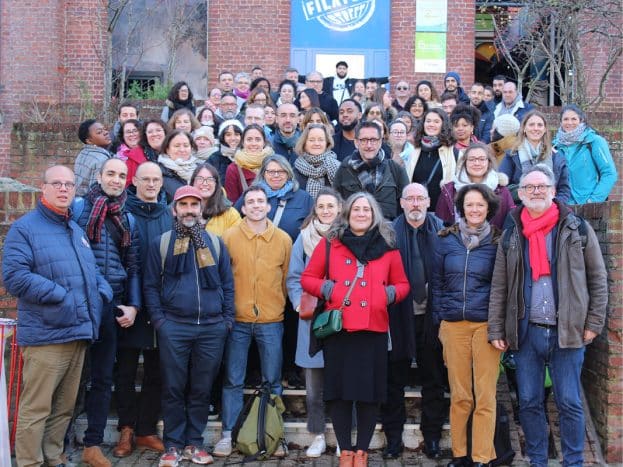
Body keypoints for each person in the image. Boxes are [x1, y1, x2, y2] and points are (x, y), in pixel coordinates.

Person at [488, 164, 608, 467]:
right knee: (528, 402)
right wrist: (496, 329)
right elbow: (500, 286)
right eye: (529, 187)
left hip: (567, 332)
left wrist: (594, 322)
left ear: (553, 191)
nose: (536, 191)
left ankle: (573, 461)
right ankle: (538, 460)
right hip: (526, 332)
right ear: (521, 195)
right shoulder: (512, 234)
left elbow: (597, 277)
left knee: (568, 401)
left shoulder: (575, 228)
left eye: (541, 186)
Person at [2, 166, 112, 467]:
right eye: (57, 183)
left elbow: (92, 271)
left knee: (64, 408)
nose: (64, 189)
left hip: (78, 332)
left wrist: (102, 291)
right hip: (46, 335)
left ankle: (53, 457)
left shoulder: (75, 230)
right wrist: (61, 296)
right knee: (36, 408)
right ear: (43, 188)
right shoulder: (25, 228)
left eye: (69, 184)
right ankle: (29, 462)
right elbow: (14, 276)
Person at [300, 192, 410, 467]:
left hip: (372, 329)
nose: (362, 214)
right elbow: (308, 278)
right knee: (339, 393)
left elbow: (403, 284)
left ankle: (361, 451)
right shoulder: (330, 245)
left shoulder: (388, 246)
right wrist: (330, 288)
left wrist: (385, 296)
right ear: (346, 214)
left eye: (367, 210)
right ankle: (345, 450)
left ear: (374, 215)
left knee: (369, 394)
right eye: (357, 209)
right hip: (340, 330)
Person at [143, 185, 234, 467]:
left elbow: (228, 285)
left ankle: (194, 443)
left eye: (194, 204)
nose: (189, 210)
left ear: (201, 209)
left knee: (201, 388)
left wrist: (226, 320)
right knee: (173, 386)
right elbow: (150, 285)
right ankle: (172, 444)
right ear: (175, 210)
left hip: (211, 328)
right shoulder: (161, 242)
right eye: (184, 205)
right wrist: (160, 320)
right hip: (174, 327)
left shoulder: (216, 243)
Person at [214, 186, 293, 458]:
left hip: (271, 320)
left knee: (272, 380)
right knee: (233, 379)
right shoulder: (229, 237)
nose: (257, 205)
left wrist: (276, 304)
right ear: (243, 208)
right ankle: (229, 433)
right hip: (237, 320)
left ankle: (274, 433)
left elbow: (285, 280)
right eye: (251, 202)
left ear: (268, 206)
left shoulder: (283, 239)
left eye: (261, 201)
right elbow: (223, 278)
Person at [74, 158, 141, 467]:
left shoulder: (127, 217)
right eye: (110, 174)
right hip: (80, 303)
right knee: (72, 376)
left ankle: (92, 444)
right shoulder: (78, 210)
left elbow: (133, 266)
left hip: (112, 302)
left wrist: (133, 305)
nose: (115, 179)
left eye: (121, 175)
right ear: (99, 176)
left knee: (102, 377)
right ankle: (58, 442)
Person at [431, 184, 502, 467]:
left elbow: (503, 287)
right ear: (461, 208)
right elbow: (435, 283)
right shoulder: (446, 239)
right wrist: (440, 320)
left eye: (480, 205)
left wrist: (500, 327)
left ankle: (482, 457)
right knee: (460, 395)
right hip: (453, 326)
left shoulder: (498, 242)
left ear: (489, 209)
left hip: (486, 326)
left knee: (485, 396)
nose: (474, 209)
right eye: (469, 204)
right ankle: (460, 454)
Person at [381, 183, 446, 460]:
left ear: (429, 201)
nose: (416, 203)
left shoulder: (443, 231)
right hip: (398, 317)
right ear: (402, 202)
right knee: (393, 381)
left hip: (431, 318)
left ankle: (432, 437)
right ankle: (393, 438)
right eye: (411, 199)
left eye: (420, 198)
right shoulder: (388, 234)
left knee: (433, 380)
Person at [113, 162, 172, 458]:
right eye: (145, 179)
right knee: (124, 371)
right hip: (129, 306)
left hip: (160, 309)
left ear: (162, 183)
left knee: (155, 372)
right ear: (134, 181)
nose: (151, 184)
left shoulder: (169, 216)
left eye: (156, 180)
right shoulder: (123, 213)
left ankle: (147, 429)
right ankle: (126, 429)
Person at [286, 188, 343, 458]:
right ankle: (318, 435)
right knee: (314, 387)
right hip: (313, 321)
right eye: (321, 206)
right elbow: (294, 275)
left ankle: (344, 436)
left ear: (339, 209)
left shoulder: (349, 237)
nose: (326, 211)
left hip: (344, 319)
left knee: (344, 383)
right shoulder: (304, 238)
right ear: (315, 209)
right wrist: (299, 302)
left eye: (331, 206)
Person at [333, 121, 409, 220]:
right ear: (356, 142)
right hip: (354, 232)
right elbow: (336, 204)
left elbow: (407, 204)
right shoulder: (344, 169)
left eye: (373, 140)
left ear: (380, 142)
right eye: (364, 140)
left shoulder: (395, 169)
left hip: (387, 232)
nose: (369, 145)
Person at [499, 109, 571, 203]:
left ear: (545, 129)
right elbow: (502, 188)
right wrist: (529, 191)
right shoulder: (512, 155)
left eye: (540, 125)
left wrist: (554, 206)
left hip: (550, 209)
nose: (535, 128)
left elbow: (564, 190)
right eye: (531, 125)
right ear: (524, 128)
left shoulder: (556, 157)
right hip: (520, 209)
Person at [437, 143, 514, 229]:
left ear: (488, 162)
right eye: (472, 159)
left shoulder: (501, 191)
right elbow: (440, 223)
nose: (477, 163)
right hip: (455, 241)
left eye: (481, 159)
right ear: (464, 162)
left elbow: (510, 224)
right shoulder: (449, 189)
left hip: (493, 241)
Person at [553, 104, 617, 204]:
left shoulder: (594, 141)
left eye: (574, 119)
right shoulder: (554, 146)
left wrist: (593, 201)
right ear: (561, 122)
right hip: (563, 206)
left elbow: (609, 173)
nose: (569, 122)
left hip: (588, 205)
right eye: (565, 119)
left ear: (581, 120)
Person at [408, 108, 456, 209]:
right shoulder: (415, 150)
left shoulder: (453, 152)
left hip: (442, 210)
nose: (431, 124)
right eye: (428, 121)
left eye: (436, 121)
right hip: (417, 208)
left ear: (443, 125)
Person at [224, 124, 273, 203]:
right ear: (243, 142)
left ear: (264, 142)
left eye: (258, 139)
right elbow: (232, 202)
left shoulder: (273, 164)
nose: (253, 143)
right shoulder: (233, 169)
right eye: (249, 139)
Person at [190, 162, 241, 235]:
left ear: (216, 184)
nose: (205, 183)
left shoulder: (231, 215)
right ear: (192, 183)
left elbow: (235, 243)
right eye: (200, 179)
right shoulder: (180, 210)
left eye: (210, 179)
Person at [292, 123, 340, 198]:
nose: (316, 143)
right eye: (311, 140)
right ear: (304, 143)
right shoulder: (294, 173)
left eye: (321, 140)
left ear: (327, 143)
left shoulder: (337, 168)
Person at [158, 130, 198, 202]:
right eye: (177, 146)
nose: (182, 150)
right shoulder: (157, 173)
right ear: (167, 149)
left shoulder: (200, 170)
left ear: (191, 148)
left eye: (186, 146)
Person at [74, 119, 112, 196]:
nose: (106, 133)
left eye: (105, 129)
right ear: (89, 141)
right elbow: (96, 192)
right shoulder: (101, 160)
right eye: (99, 132)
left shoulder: (83, 153)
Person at [208, 119, 243, 183]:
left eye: (236, 134)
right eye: (228, 135)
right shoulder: (214, 158)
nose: (233, 138)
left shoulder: (248, 155)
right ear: (222, 137)